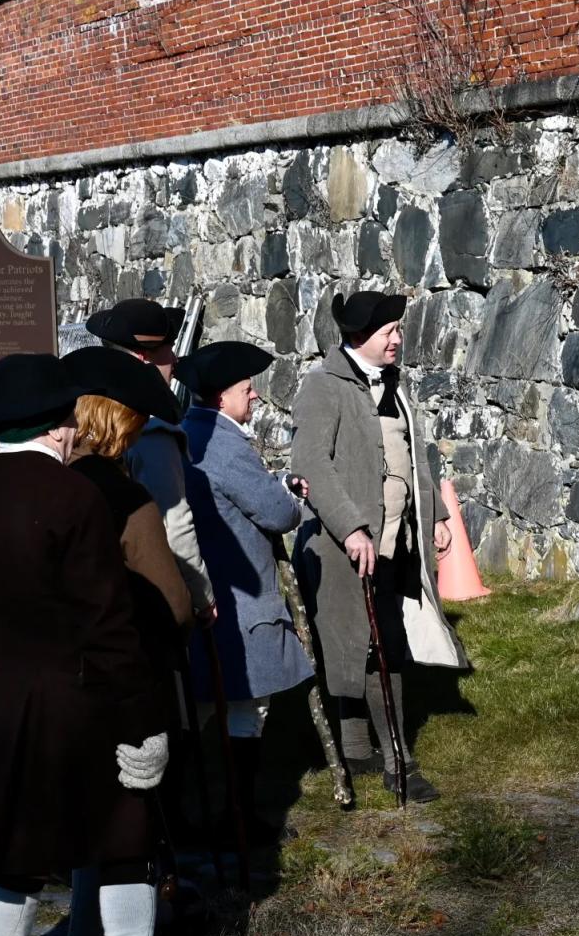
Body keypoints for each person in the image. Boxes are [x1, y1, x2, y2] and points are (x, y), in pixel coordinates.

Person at [0, 354, 218, 936]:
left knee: (11, 857)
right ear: (61, 428)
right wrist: (145, 727)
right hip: (85, 704)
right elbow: (107, 627)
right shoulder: (74, 497)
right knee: (122, 849)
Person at [49, 346, 197, 936]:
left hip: (39, 679)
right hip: (117, 681)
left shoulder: (35, 484)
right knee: (124, 829)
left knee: (76, 827)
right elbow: (172, 601)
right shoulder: (124, 497)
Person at [290, 291, 468, 804]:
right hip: (344, 548)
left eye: (398, 329)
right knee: (357, 643)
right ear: (360, 336)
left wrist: (433, 514)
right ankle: (382, 756)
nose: (398, 339)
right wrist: (350, 527)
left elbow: (416, 456)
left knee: (383, 643)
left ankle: (378, 753)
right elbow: (312, 465)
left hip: (395, 544)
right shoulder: (323, 388)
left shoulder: (395, 386)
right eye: (389, 330)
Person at [176, 341, 314, 841]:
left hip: (201, 588)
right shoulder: (224, 442)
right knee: (244, 708)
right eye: (244, 388)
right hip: (237, 598)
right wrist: (291, 500)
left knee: (199, 709)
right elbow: (276, 514)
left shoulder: (188, 433)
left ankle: (190, 812)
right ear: (219, 398)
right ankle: (237, 818)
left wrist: (273, 483)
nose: (253, 396)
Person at [87, 298, 214, 628]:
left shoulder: (87, 408)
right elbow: (174, 522)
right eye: (167, 349)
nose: (174, 359)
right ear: (144, 355)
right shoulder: (150, 428)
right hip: (141, 589)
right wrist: (202, 598)